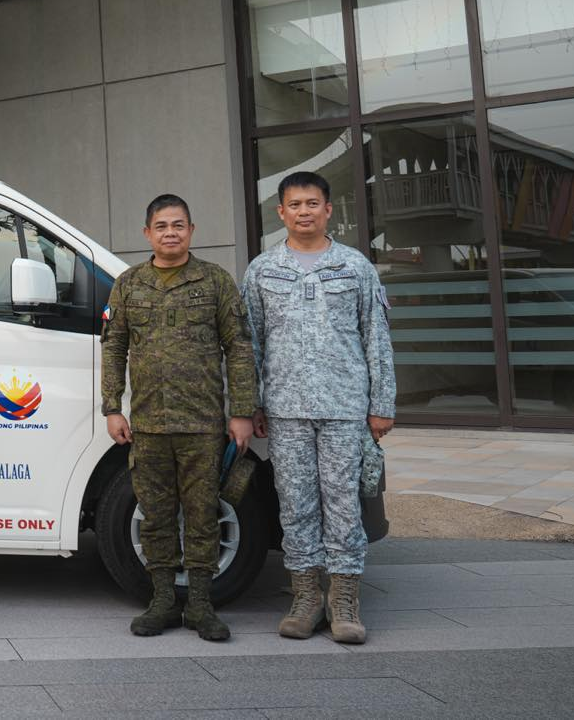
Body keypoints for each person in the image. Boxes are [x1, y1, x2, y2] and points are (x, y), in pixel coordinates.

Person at [241, 171, 395, 645]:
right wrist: (252, 403)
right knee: (296, 505)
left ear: (328, 210)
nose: (303, 211)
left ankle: (344, 601)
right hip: (286, 409)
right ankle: (306, 597)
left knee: (345, 505)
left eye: (312, 203)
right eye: (295, 204)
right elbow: (250, 343)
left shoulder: (355, 267)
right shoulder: (262, 270)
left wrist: (381, 403)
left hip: (345, 407)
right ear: (281, 212)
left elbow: (376, 337)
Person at [101, 193, 256, 642]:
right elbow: (113, 347)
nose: (170, 233)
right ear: (147, 233)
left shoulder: (215, 281)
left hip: (202, 423)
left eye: (178, 225)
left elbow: (238, 348)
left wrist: (242, 412)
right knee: (156, 515)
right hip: (148, 424)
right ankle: (164, 601)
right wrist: (112, 407)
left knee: (203, 514)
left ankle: (201, 605)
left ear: (191, 230)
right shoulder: (129, 284)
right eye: (162, 226)